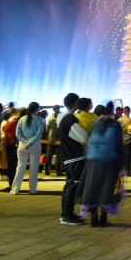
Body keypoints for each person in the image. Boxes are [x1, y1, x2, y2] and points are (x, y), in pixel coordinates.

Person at [78, 104, 125, 226]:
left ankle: (94, 217)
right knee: (107, 189)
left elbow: (87, 144)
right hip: (110, 163)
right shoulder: (115, 125)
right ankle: (103, 217)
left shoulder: (93, 124)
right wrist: (122, 163)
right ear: (111, 113)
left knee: (93, 189)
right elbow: (119, 145)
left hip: (93, 162)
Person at [59, 93, 89, 225]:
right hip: (75, 157)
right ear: (76, 103)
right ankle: (67, 215)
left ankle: (66, 213)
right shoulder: (70, 119)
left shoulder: (63, 119)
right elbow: (83, 137)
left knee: (69, 185)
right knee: (73, 185)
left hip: (69, 157)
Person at [12, 102, 44, 194]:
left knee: (20, 167)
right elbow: (38, 135)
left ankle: (15, 189)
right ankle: (32, 189)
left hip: (22, 145)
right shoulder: (40, 120)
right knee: (33, 168)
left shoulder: (22, 119)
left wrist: (25, 142)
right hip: (35, 145)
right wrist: (30, 143)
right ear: (37, 109)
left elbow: (18, 133)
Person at [0, 109, 21, 192]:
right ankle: (14, 185)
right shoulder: (20, 121)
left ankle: (12, 185)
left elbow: (4, 131)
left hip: (11, 145)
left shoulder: (11, 122)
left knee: (11, 166)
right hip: (17, 145)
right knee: (15, 165)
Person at [44, 106, 62, 176]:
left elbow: (47, 129)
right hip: (58, 141)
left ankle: (46, 170)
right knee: (58, 157)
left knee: (49, 156)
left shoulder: (51, 121)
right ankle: (58, 171)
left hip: (51, 141)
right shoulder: (61, 122)